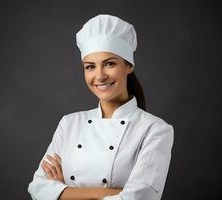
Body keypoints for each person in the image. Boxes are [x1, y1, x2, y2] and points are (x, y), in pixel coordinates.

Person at [28, 14, 174, 200]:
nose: (100, 76)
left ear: (129, 66)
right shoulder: (69, 123)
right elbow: (38, 189)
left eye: (110, 64)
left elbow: (140, 197)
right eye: (90, 67)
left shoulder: (155, 130)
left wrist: (63, 192)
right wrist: (112, 193)